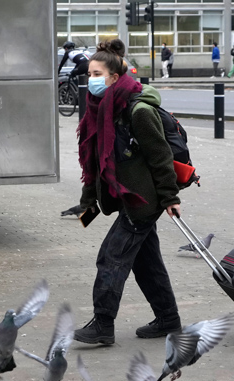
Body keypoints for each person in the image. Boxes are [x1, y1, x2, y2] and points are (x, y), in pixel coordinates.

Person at [74, 38, 182, 345]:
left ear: (114, 77)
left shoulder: (138, 111)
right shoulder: (103, 110)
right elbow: (94, 161)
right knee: (147, 263)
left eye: (96, 74)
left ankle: (102, 325)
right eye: (89, 75)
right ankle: (169, 320)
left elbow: (161, 158)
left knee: (111, 258)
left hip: (142, 201)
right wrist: (87, 202)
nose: (91, 80)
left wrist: (170, 198)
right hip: (127, 198)